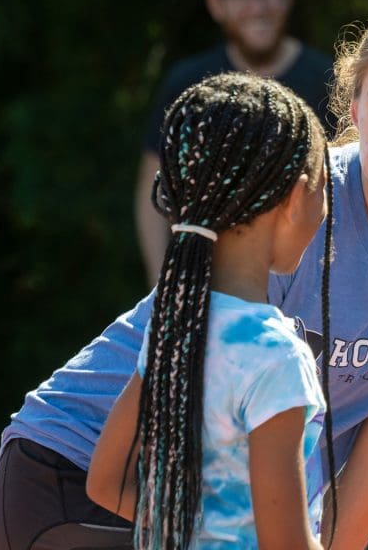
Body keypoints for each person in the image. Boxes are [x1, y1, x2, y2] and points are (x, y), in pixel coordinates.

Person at [0, 0, 368, 550]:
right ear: (353, 109)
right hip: (80, 472)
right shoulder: (296, 204)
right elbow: (140, 458)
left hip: (221, 515)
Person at [86, 73, 328, 548]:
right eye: (324, 185)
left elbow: (106, 482)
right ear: (296, 196)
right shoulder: (275, 356)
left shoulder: (174, 326)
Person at [135, 0, 333, 284]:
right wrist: (165, 286)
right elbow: (153, 186)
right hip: (206, 288)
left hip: (310, 290)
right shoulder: (189, 85)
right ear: (216, 3)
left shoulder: (328, 81)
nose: (257, 6)